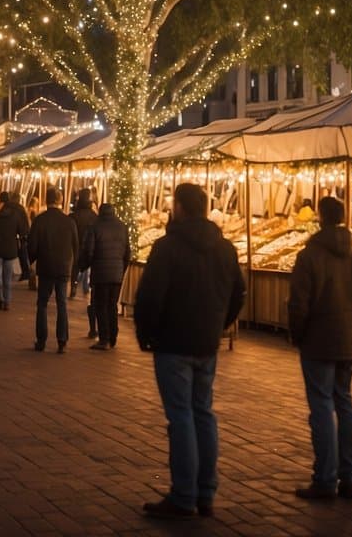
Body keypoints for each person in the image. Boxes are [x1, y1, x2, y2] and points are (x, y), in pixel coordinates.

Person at [134, 183, 246, 520]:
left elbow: (150, 296)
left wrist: (146, 334)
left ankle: (184, 495)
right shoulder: (225, 249)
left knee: (181, 416)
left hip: (173, 342)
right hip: (205, 342)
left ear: (180, 208)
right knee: (203, 413)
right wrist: (219, 324)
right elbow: (238, 293)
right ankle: (205, 491)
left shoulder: (167, 247)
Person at [287, 196, 352, 500]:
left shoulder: (309, 256)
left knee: (322, 406)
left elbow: (299, 303)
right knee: (345, 402)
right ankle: (348, 477)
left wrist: (297, 334)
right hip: (348, 339)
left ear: (320, 218)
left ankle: (325, 479)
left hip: (317, 339)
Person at [27, 189, 78, 353]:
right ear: (61, 200)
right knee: (61, 303)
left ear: (46, 200)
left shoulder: (40, 220)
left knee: (42, 303)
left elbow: (32, 246)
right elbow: (76, 246)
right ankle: (62, 340)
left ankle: (41, 340)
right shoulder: (69, 222)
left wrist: (33, 260)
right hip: (63, 267)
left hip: (46, 267)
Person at [81, 202, 131, 350]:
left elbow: (89, 251)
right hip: (117, 273)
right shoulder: (122, 226)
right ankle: (113, 337)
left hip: (100, 273)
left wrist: (85, 265)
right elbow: (127, 252)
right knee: (112, 306)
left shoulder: (95, 226)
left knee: (101, 306)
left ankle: (104, 339)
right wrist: (122, 268)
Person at [0, 192, 28, 311]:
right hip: (10, 250)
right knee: (7, 278)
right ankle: (7, 301)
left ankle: (1, 299)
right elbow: (22, 231)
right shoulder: (16, 216)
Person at [70, 190, 98, 334]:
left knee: (75, 266)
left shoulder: (74, 215)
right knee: (87, 267)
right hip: (88, 246)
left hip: (77, 245)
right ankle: (86, 286)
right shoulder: (94, 217)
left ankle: (74, 286)